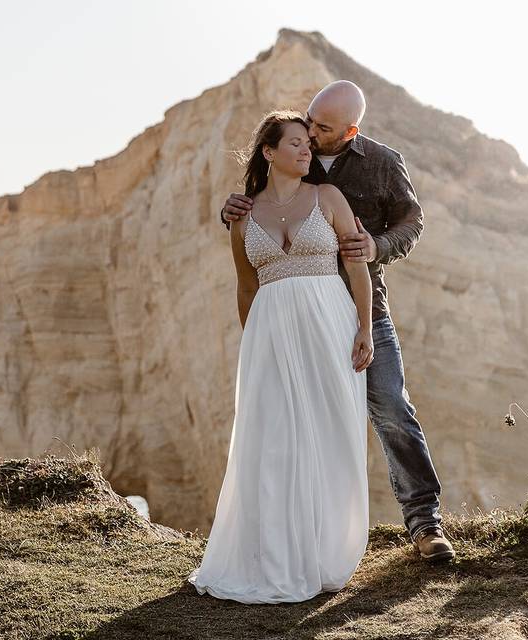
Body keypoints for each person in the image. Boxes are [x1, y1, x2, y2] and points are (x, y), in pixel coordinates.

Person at [220, 81, 455, 562]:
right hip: (296, 317)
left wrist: (377, 247)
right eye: (308, 119)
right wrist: (231, 210)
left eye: (322, 128)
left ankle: (424, 522)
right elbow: (259, 215)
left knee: (389, 404)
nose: (310, 132)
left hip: (363, 307)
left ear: (352, 131)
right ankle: (299, 535)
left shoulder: (383, 163)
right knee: (296, 419)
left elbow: (412, 220)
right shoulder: (292, 151)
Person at [188, 110, 374, 604]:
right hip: (269, 333)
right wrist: (253, 344)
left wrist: (365, 329)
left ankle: (325, 551)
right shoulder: (242, 216)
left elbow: (356, 267)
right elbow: (245, 286)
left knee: (330, 432)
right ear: (268, 152)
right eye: (294, 143)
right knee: (274, 440)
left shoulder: (327, 197)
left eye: (308, 144)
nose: (305, 150)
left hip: (330, 326)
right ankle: (275, 554)